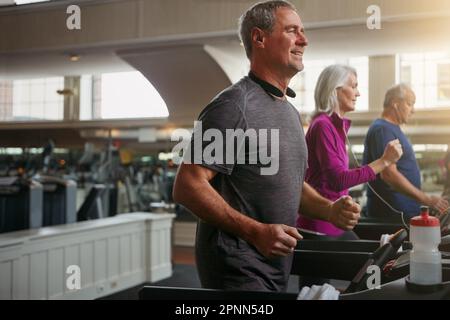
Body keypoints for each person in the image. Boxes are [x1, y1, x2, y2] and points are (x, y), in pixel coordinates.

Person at [173, 1, 361, 292]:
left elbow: (291, 185)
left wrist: (329, 210)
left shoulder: (289, 112)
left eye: (303, 31)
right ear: (259, 38)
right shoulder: (234, 106)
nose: (304, 39)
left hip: (275, 268)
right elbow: (188, 185)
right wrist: (256, 231)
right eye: (292, 31)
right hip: (238, 269)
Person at [297, 65, 403, 239]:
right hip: (320, 225)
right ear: (335, 89)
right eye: (353, 86)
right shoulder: (323, 125)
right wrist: (384, 161)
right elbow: (339, 180)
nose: (358, 93)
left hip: (335, 223)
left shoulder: (333, 127)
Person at [363, 84, 449, 219]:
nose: (413, 110)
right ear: (396, 104)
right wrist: (427, 199)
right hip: (392, 214)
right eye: (410, 104)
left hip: (402, 211)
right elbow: (389, 174)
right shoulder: (383, 130)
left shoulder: (392, 129)